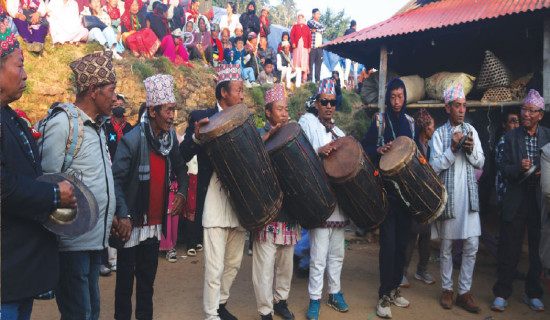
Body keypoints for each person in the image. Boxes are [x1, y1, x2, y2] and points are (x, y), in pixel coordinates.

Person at [0, 15, 76, 319]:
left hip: (18, 270)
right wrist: (53, 196)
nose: (26, 74)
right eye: (19, 65)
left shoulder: (12, 118)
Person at [38, 51, 117, 320]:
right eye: (111, 90)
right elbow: (47, 180)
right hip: (72, 243)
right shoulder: (64, 124)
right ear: (94, 90)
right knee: (78, 313)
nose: (115, 97)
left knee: (90, 311)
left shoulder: (99, 126)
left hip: (95, 241)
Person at [112, 74, 188, 320]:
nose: (172, 116)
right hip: (131, 225)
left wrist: (183, 192)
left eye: (174, 110)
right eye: (168, 111)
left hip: (154, 226)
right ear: (153, 111)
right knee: (124, 286)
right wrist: (122, 214)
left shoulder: (169, 140)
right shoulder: (132, 141)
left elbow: (181, 169)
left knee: (147, 284)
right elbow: (116, 181)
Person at [180, 64, 245, 320]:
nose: (242, 96)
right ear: (223, 93)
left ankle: (220, 303)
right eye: (238, 91)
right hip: (215, 198)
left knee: (233, 263)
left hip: (239, 201)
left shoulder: (243, 118)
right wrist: (197, 137)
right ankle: (210, 315)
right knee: (215, 264)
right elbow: (182, 154)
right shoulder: (201, 117)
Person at [492, 89, 550, 312]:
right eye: (523, 109)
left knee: (537, 247)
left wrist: (544, 173)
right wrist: (519, 167)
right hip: (516, 196)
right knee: (510, 246)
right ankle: (501, 293)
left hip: (539, 198)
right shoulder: (510, 137)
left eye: (530, 111)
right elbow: (503, 168)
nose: (525, 114)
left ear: (540, 114)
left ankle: (533, 293)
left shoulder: (547, 136)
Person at [361, 78, 415, 319]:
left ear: (405, 98)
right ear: (387, 98)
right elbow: (365, 147)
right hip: (385, 193)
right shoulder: (379, 121)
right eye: (392, 96)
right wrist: (378, 150)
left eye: (400, 96)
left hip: (406, 196)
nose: (396, 101)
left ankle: (394, 290)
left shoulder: (410, 123)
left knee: (402, 245)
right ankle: (383, 296)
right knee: (389, 246)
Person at [430, 83, 485, 313]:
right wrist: (452, 150)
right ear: (447, 108)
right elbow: (433, 167)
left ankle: (463, 292)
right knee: (447, 246)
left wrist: (471, 150)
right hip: (449, 198)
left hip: (469, 198)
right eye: (457, 106)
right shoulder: (439, 134)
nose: (462, 110)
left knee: (472, 244)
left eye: (464, 105)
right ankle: (447, 289)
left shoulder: (472, 131)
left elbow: (482, 162)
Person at [299, 79, 349, 320]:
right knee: (318, 256)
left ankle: (335, 292)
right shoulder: (307, 122)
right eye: (324, 102)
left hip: (338, 202)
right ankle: (315, 299)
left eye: (332, 102)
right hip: (319, 199)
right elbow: (300, 152)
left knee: (337, 253)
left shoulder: (340, 133)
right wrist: (317, 152)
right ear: (316, 104)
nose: (329, 106)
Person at [253, 83, 299, 320]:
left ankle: (280, 301)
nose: (284, 112)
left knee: (285, 264)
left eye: (286, 108)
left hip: (288, 211)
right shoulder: (258, 134)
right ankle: (265, 310)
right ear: (268, 112)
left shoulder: (291, 134)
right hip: (267, 211)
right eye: (279, 109)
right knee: (264, 266)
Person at [400, 109, 436, 288]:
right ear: (424, 127)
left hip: (426, 198)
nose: (433, 129)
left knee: (426, 235)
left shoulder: (428, 146)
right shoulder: (413, 147)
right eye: (431, 126)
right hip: (414, 197)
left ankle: (422, 269)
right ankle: (402, 272)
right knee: (411, 235)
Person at [148, 2, 193, 67]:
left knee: (178, 41)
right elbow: (162, 35)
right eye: (166, 12)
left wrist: (177, 38)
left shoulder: (164, 20)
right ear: (163, 12)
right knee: (169, 38)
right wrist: (173, 38)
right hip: (157, 45)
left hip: (164, 41)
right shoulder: (156, 20)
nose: (167, 13)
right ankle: (169, 60)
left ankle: (185, 59)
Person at [494, 112, 520, 207]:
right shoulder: (503, 141)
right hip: (505, 185)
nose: (516, 126)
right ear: (504, 125)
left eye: (517, 122)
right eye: (512, 122)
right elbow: (503, 169)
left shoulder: (516, 140)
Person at [291, 13, 311, 84]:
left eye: (301, 18)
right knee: (296, 61)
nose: (300, 19)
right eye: (298, 18)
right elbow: (291, 35)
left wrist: (309, 47)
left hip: (304, 47)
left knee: (304, 61)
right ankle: (296, 78)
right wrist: (293, 42)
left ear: (303, 18)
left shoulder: (306, 27)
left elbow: (309, 37)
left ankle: (304, 79)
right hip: (296, 47)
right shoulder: (295, 26)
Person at [307, 8, 325, 83]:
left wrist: (316, 30)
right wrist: (319, 28)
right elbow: (313, 25)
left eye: (319, 14)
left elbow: (324, 30)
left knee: (318, 64)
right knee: (310, 64)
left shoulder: (321, 23)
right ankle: (309, 80)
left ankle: (317, 80)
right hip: (312, 46)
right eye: (317, 14)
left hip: (319, 47)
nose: (319, 15)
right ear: (313, 14)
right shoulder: (310, 21)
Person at [342, 20, 357, 88]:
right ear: (355, 25)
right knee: (355, 70)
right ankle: (356, 84)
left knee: (347, 68)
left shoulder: (347, 31)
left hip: (348, 52)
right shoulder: (357, 32)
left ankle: (345, 81)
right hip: (355, 53)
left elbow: (343, 39)